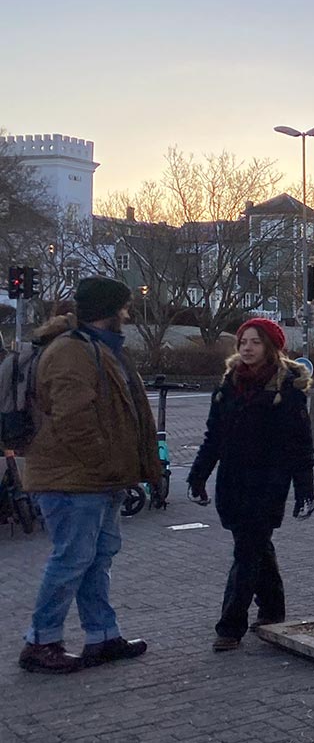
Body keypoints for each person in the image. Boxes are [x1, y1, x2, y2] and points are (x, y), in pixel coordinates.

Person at [18, 278, 159, 675]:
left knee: (96, 558)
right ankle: (41, 641)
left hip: (96, 479)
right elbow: (74, 420)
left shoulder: (98, 348)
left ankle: (102, 636)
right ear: (110, 312)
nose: (128, 315)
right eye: (124, 309)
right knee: (72, 559)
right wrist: (106, 463)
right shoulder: (71, 352)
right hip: (75, 479)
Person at [187, 317, 314, 652]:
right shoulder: (229, 384)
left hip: (268, 484)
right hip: (232, 482)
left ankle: (230, 626)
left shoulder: (286, 389)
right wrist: (198, 475)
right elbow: (213, 436)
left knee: (247, 551)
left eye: (255, 342)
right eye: (243, 341)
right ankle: (273, 610)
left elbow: (300, 445)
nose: (246, 347)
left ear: (270, 347)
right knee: (257, 548)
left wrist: (305, 490)